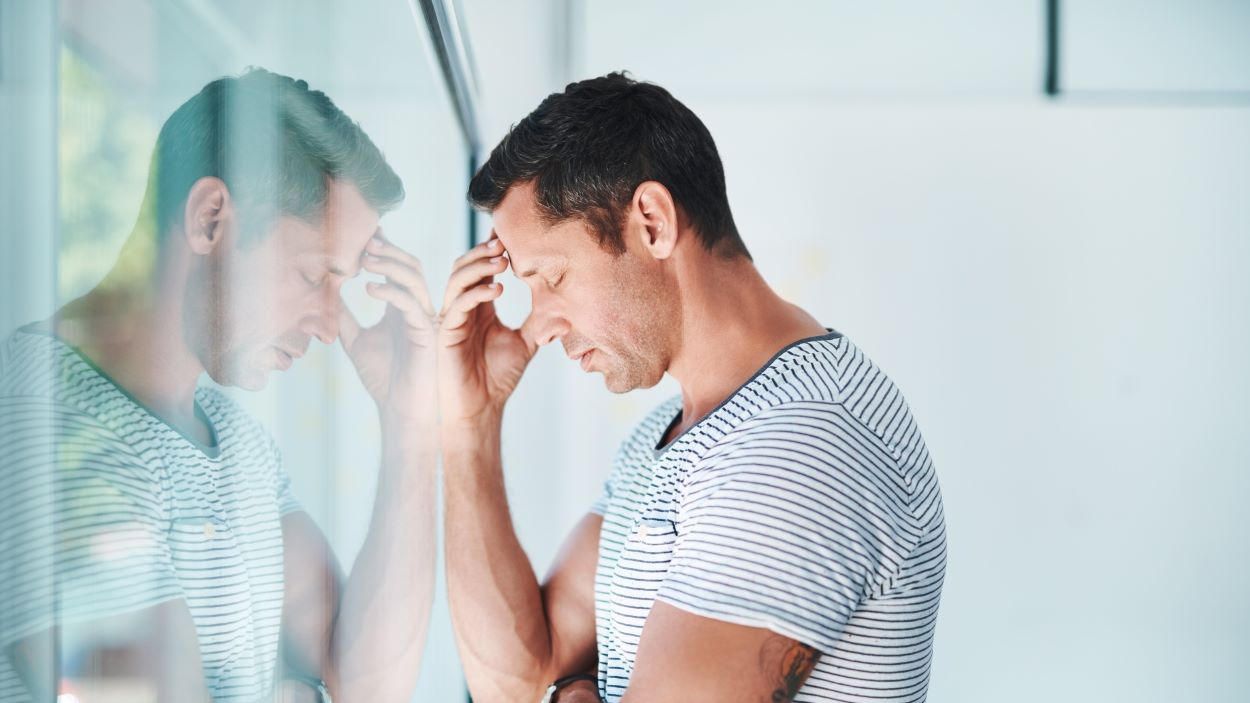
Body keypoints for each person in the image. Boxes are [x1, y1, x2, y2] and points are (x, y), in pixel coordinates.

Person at [438, 72, 947, 702]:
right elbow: (516, 680)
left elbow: (541, 687)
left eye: (553, 277)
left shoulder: (797, 450)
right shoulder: (673, 435)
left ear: (651, 222)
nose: (538, 326)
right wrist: (471, 423)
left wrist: (571, 691)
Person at [0, 68, 437, 702]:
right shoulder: (49, 430)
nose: (328, 325)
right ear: (210, 220)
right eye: (315, 274)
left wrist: (409, 425)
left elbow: (368, 681)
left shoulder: (231, 440)